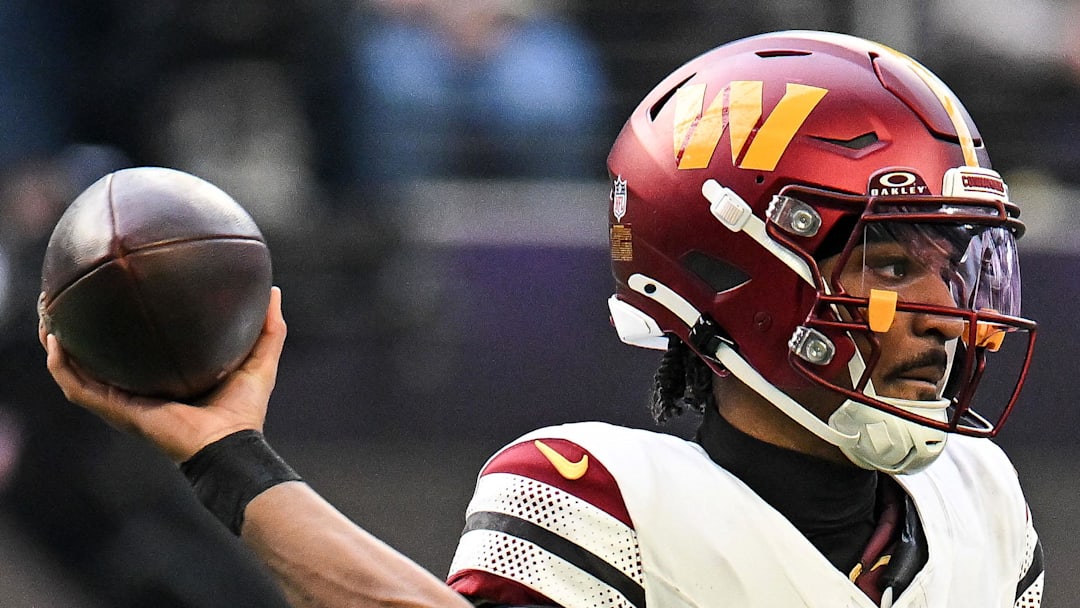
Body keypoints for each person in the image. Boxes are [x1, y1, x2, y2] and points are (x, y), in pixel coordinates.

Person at [40, 31, 1044, 607]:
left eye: (958, 270)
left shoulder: (979, 499)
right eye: (889, 264)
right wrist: (229, 458)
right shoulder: (603, 495)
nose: (949, 317)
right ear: (739, 265)